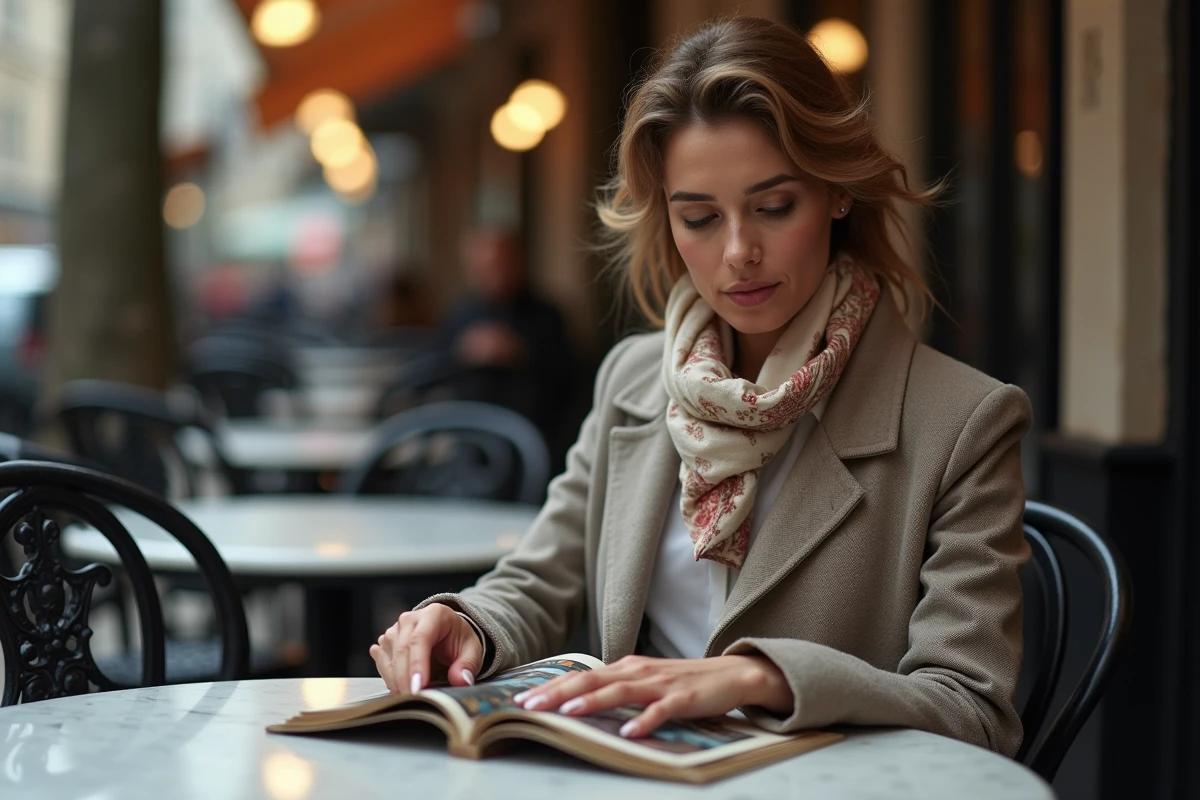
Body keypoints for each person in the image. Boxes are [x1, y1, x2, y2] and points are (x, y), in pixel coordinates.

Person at [372, 17, 1031, 756]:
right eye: (699, 218)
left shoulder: (964, 421)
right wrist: (466, 622)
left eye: (774, 207)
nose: (739, 252)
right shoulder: (633, 379)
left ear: (837, 193)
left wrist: (764, 679)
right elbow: (542, 578)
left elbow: (973, 709)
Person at [436, 227, 579, 454]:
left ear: (519, 263)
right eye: (486, 267)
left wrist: (519, 351)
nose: (496, 274)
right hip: (471, 434)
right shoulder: (463, 313)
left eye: (502, 264)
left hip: (533, 435)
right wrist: (465, 350)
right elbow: (437, 368)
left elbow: (570, 377)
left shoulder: (547, 314)